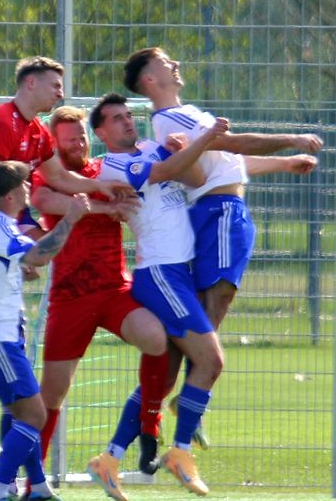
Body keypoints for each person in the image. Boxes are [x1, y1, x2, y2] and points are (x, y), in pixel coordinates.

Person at [124, 47, 322, 447]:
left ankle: (138, 433)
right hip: (221, 213)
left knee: (192, 325)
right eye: (164, 62)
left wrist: (284, 164)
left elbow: (227, 162)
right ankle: (194, 398)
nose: (175, 64)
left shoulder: (183, 115)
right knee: (215, 304)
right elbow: (234, 144)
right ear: (149, 79)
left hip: (217, 210)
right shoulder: (172, 117)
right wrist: (292, 138)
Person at [0, 56, 132, 459]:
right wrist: (14, 241)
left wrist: (99, 186)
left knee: (5, 319)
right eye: (54, 84)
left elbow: (58, 177)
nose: (61, 92)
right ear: (30, 83)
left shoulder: (37, 131)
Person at [89, 92, 229, 497]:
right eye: (116, 118)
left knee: (164, 378)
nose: (127, 121)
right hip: (160, 274)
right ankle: (180, 452)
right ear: (101, 132)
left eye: (127, 115)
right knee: (211, 361)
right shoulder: (114, 165)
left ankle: (108, 460)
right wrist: (204, 140)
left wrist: (180, 150)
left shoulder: (152, 148)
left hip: (179, 274)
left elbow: (196, 178)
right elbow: (165, 171)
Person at [29, 107, 169, 482]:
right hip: (70, 297)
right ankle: (33, 481)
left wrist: (172, 149)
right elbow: (46, 202)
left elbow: (144, 180)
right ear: (54, 144)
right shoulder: (49, 175)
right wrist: (108, 206)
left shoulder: (106, 170)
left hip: (113, 290)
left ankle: (149, 426)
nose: (79, 144)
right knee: (51, 395)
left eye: (82, 137)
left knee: (158, 339)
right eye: (69, 139)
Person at [0, 161, 89, 501]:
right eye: (23, 183)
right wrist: (70, 218)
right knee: (34, 415)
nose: (28, 187)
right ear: (10, 195)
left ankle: (39, 488)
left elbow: (20, 259)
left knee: (21, 412)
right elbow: (39, 256)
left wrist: (22, 266)